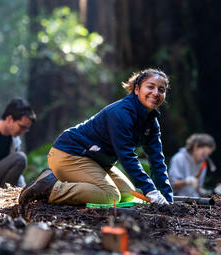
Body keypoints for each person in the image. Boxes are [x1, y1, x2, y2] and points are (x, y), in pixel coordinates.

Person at [18, 69, 173, 206]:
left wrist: (167, 197)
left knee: (129, 195)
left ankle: (70, 182)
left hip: (97, 161)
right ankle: (49, 187)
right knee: (110, 196)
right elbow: (126, 156)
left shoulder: (151, 122)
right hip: (69, 154)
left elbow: (157, 160)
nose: (156, 93)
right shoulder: (121, 113)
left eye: (161, 89)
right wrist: (151, 190)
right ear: (137, 89)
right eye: (150, 87)